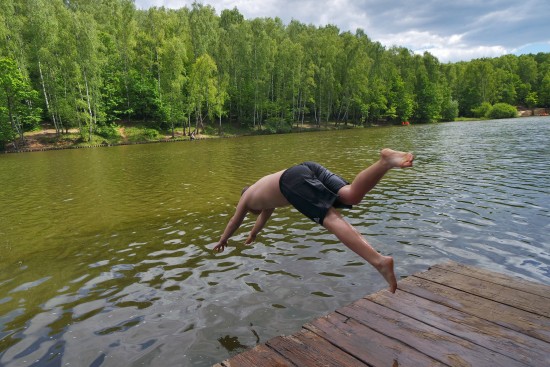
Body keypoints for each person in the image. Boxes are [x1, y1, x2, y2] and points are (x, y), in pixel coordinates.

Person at [213, 148, 414, 293]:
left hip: (291, 180)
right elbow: (265, 216)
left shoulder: (246, 199)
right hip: (306, 168)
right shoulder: (262, 191)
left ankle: (379, 261)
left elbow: (234, 221)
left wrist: (223, 239)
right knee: (351, 194)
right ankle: (385, 162)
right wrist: (253, 234)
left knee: (330, 218)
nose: (254, 214)